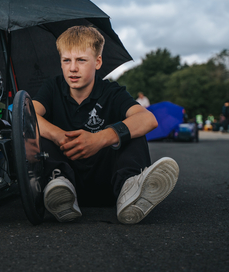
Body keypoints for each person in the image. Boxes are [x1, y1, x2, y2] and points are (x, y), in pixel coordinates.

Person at [33, 26, 179, 224]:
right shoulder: (52, 88)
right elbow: (26, 115)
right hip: (65, 183)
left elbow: (148, 119)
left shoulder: (112, 91)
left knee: (131, 131)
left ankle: (130, 190)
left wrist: (98, 139)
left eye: (81, 60)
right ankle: (59, 188)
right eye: (66, 60)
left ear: (98, 62)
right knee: (36, 129)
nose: (72, 68)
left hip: (109, 183)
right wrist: (59, 135)